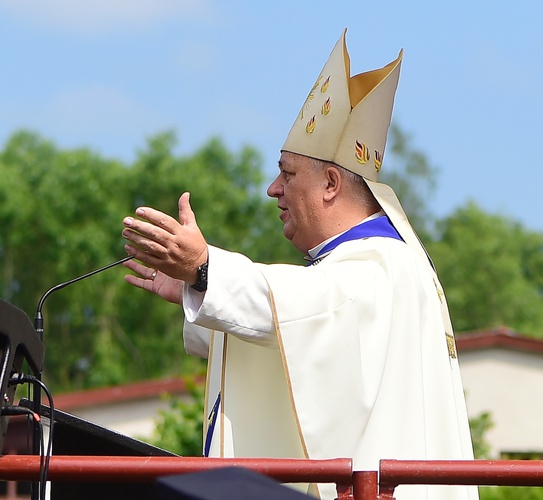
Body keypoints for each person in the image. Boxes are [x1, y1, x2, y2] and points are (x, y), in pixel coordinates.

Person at [121, 30, 477, 500]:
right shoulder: (365, 269)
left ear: (331, 183)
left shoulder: (380, 265)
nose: (273, 189)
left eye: (287, 173)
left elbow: (306, 309)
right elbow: (300, 337)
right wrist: (194, 286)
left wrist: (206, 269)